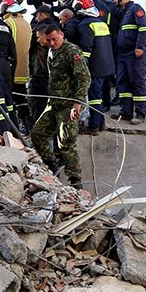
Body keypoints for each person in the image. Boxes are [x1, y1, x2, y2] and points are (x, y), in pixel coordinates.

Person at [30, 25, 91, 188]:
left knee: (66, 142)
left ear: (62, 35)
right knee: (37, 134)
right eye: (49, 40)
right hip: (54, 103)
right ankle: (52, 165)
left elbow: (84, 78)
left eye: (55, 39)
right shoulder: (51, 51)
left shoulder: (72, 51)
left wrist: (77, 103)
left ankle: (75, 181)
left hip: (69, 105)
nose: (52, 43)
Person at [74, 0, 116, 135]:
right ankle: (101, 124)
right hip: (107, 66)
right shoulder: (101, 23)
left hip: (95, 67)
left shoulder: (85, 25)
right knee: (101, 97)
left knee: (94, 98)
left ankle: (93, 127)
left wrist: (82, 66)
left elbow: (86, 48)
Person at [112, 0, 146, 124]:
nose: (114, 0)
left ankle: (140, 113)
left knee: (137, 82)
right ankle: (126, 112)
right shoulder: (123, 13)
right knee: (123, 82)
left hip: (134, 54)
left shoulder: (135, 9)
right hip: (123, 54)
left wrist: (139, 47)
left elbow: (143, 29)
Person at [1, 1, 32, 131]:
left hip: (11, 68)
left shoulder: (8, 23)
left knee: (9, 98)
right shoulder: (26, 23)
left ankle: (15, 127)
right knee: (21, 97)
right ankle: (27, 123)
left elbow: (7, 46)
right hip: (24, 68)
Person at [27, 11, 56, 128]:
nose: (37, 39)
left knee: (37, 105)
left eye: (39, 37)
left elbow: (30, 50)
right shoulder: (56, 45)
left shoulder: (40, 30)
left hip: (40, 75)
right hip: (47, 77)